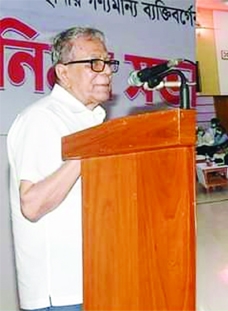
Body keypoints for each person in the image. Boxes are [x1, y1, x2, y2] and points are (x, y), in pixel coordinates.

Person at [7, 26, 117, 311]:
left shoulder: (91, 119)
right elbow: (31, 204)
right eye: (95, 63)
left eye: (107, 62)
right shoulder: (42, 119)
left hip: (96, 278)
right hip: (60, 292)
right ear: (63, 73)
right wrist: (87, 152)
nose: (105, 71)